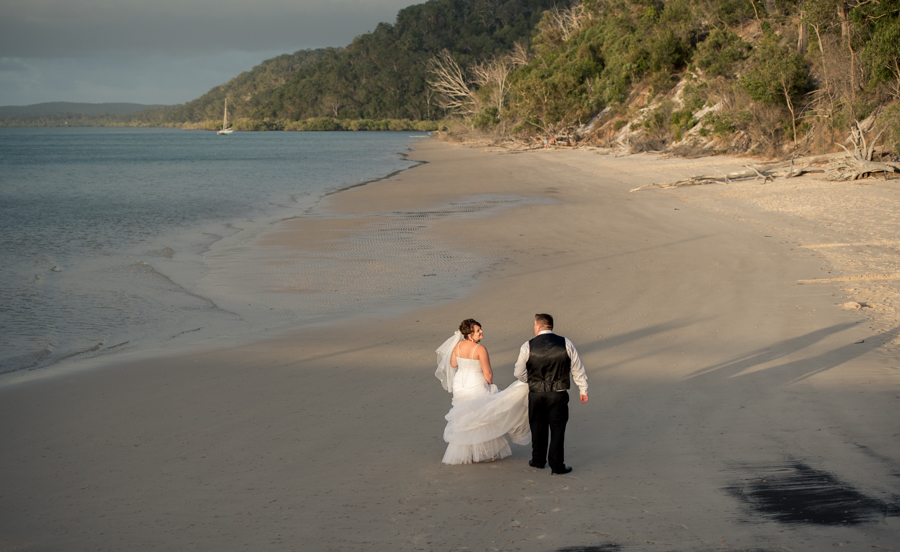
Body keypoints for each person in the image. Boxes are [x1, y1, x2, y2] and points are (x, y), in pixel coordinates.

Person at [435, 319, 530, 464]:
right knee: (480, 415)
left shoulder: (457, 345)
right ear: (470, 334)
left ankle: (469, 452)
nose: (481, 332)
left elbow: (453, 364)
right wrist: (489, 385)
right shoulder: (480, 349)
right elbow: (488, 373)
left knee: (465, 416)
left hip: (460, 384)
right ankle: (483, 451)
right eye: (478, 330)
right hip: (476, 383)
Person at [514, 313, 588, 475]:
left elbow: (519, 372)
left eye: (534, 325)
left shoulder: (528, 345)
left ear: (538, 326)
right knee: (557, 429)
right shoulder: (566, 343)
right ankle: (557, 465)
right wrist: (583, 389)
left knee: (537, 427)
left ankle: (538, 460)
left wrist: (531, 380)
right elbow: (577, 368)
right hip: (558, 394)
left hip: (536, 393)